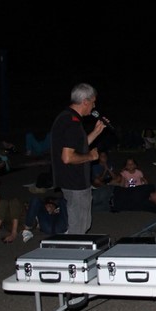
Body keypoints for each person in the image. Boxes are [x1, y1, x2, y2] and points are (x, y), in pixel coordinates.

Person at [50, 83, 106, 234]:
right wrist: (90, 156)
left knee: (82, 223)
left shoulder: (66, 117)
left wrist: (96, 132)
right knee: (79, 227)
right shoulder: (72, 123)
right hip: (75, 182)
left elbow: (77, 145)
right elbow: (67, 157)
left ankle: (71, 248)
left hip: (70, 180)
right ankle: (73, 254)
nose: (94, 106)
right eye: (93, 102)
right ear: (85, 101)